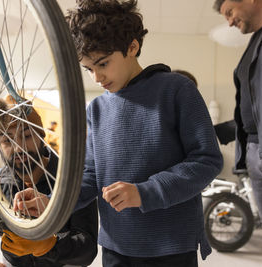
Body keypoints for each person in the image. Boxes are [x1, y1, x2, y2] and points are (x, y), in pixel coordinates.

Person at [15, 1, 223, 266]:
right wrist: (52, 203)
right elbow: (91, 177)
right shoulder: (97, 109)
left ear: (132, 47)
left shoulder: (176, 89)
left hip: (170, 245)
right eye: (89, 69)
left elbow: (207, 160)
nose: (96, 78)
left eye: (103, 63)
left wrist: (146, 192)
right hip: (116, 247)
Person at [0, 96, 98, 267]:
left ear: (41, 138)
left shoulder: (73, 180)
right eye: (7, 140)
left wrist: (48, 246)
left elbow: (87, 250)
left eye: (27, 136)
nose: (18, 147)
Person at [213, 0, 262, 266]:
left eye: (229, 12)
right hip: (257, 156)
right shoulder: (256, 42)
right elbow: (260, 111)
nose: (230, 22)